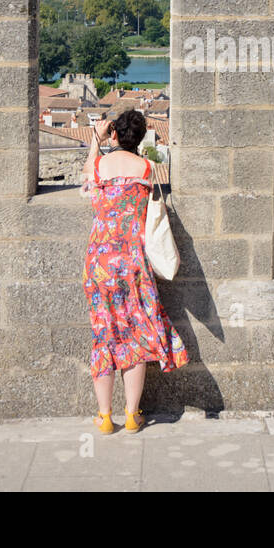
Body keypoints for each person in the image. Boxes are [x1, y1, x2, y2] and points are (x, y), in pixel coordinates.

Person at [79, 107, 188, 434]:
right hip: (133, 263)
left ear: (114, 133)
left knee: (104, 334)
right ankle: (131, 414)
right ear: (139, 138)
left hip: (99, 262)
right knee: (135, 337)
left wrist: (96, 141)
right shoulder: (145, 167)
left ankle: (103, 416)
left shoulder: (99, 165)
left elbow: (87, 181)